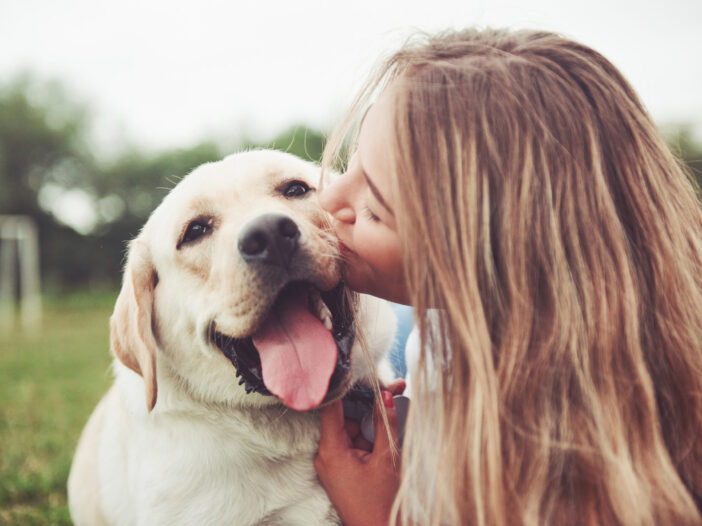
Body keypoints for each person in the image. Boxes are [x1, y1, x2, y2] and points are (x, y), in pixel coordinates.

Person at [313, 28, 702, 526]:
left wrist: (376, 518)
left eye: (373, 209)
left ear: (479, 260)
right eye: (353, 163)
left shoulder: (570, 477)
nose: (328, 203)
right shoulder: (446, 339)